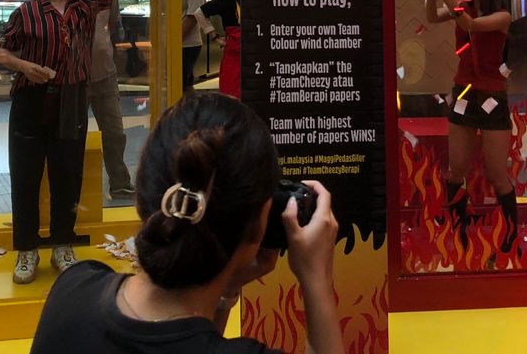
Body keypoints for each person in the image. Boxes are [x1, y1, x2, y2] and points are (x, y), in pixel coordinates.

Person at [29, 91, 342, 354]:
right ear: (259, 226)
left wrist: (226, 286)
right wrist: (316, 277)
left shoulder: (72, 290)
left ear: (143, 196)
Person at [0, 0, 165, 283]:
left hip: (72, 97)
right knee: (26, 176)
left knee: (68, 175)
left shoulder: (87, 1)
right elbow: (2, 52)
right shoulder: (26, 12)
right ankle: (26, 251)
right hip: (31, 101)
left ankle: (62, 244)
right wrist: (25, 67)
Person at [426, 0, 518, 252]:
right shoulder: (460, 6)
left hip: (493, 96)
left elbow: (471, 25)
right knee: (456, 170)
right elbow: (431, 17)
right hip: (463, 93)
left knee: (496, 174)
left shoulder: (502, 15)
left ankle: (510, 235)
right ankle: (458, 229)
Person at [71, 0, 134, 201]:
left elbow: (114, 27)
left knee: (115, 132)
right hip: (74, 77)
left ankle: (119, 183)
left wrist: (118, 54)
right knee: (73, 135)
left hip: (105, 74)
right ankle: (73, 187)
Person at [195, 0, 241, 97]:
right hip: (256, 46)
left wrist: (214, 36)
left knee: (231, 92)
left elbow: (199, 13)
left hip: (233, 48)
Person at [179, 0, 206, 94]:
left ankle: (190, 114)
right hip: (178, 43)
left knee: (182, 85)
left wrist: (174, 40)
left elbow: (193, 15)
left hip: (187, 45)